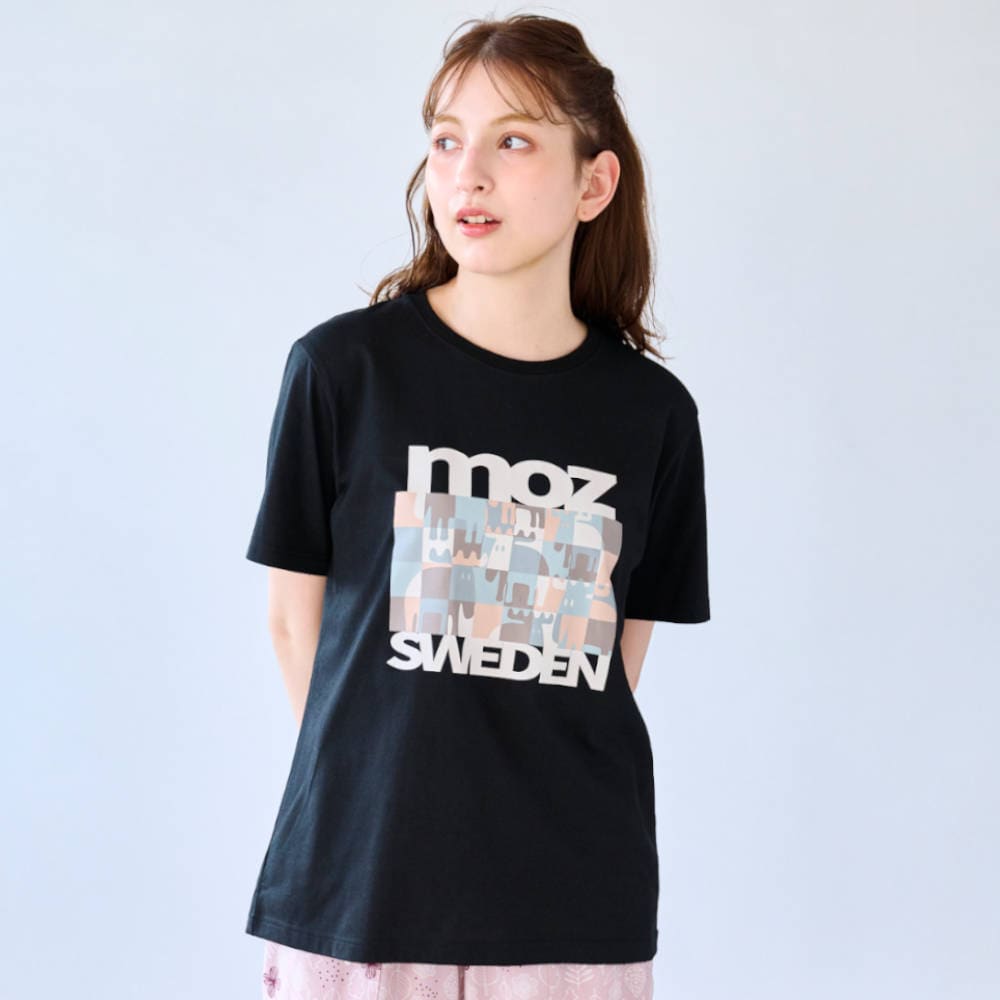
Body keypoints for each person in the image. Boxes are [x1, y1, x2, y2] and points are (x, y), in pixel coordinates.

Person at [245, 13, 710, 1000]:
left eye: (515, 141)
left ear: (594, 183)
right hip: (361, 895)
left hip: (572, 909)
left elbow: (613, 660)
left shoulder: (651, 414)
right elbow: (293, 625)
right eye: (448, 139)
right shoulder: (342, 371)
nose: (469, 174)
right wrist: (376, 795)